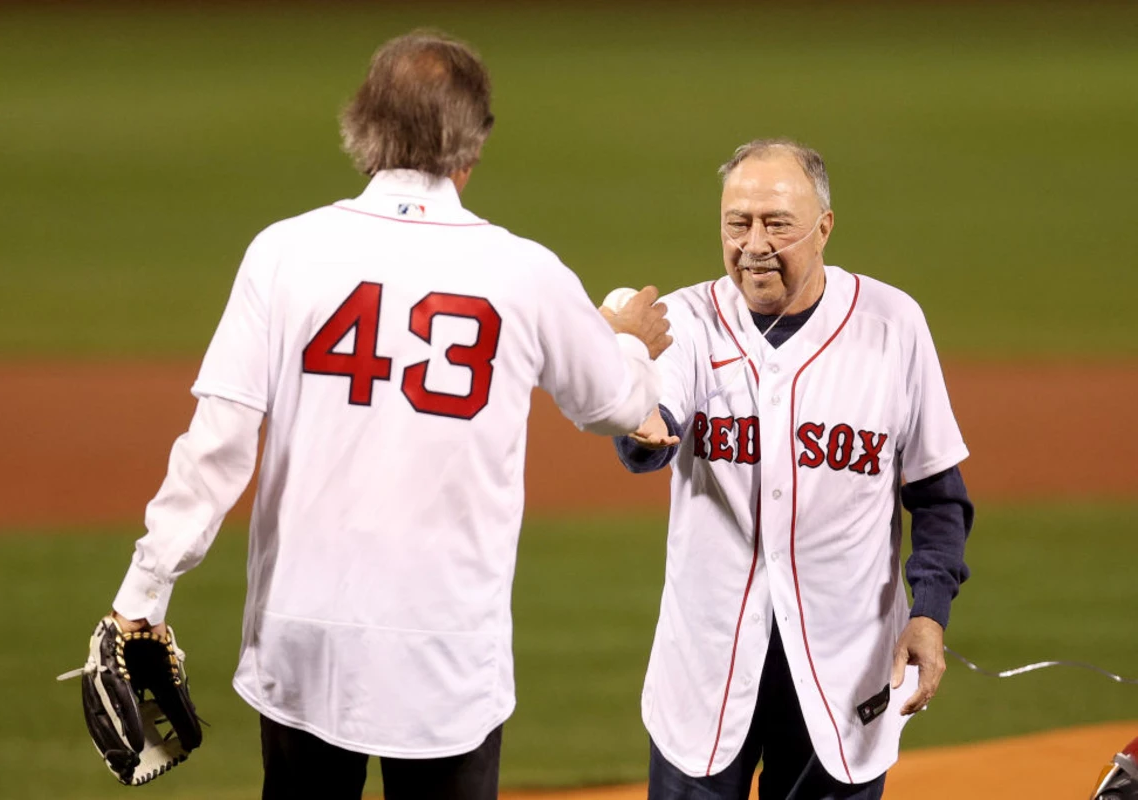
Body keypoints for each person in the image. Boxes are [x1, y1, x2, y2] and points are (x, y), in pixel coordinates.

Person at [104, 31, 672, 800]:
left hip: (300, 639)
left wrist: (144, 589)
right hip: (447, 652)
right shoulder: (524, 272)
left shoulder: (284, 252)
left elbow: (220, 439)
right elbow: (620, 406)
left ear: (361, 128)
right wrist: (624, 339)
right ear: (473, 145)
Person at [613, 139, 974, 800]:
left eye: (775, 224)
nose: (753, 243)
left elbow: (937, 495)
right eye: (736, 222)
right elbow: (649, 438)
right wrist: (635, 414)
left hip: (846, 667)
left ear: (824, 227)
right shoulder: (686, 323)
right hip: (706, 668)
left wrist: (929, 612)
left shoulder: (892, 326)